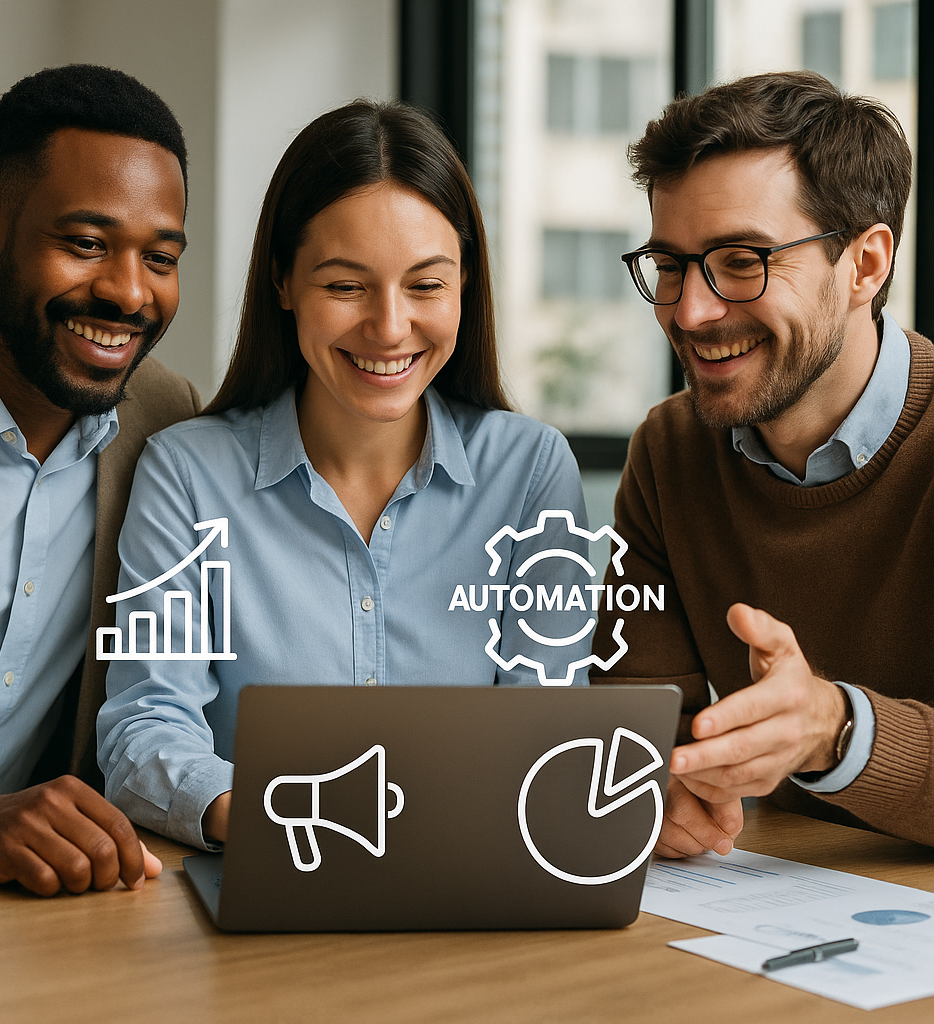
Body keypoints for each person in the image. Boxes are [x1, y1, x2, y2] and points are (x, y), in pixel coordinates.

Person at [97, 100, 590, 850]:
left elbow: (550, 731)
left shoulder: (531, 473)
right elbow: (144, 725)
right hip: (267, 864)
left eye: (426, 286)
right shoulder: (186, 473)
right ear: (283, 282)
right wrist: (283, 816)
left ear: (465, 285)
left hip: (471, 875)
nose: (389, 328)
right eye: (345, 286)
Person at [589, 70, 934, 854]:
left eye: (742, 260)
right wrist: (656, 784)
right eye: (670, 265)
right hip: (775, 891)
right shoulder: (671, 451)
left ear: (866, 264)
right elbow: (637, 722)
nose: (690, 310)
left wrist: (835, 731)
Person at [0, 65, 201, 894]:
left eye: (160, 257)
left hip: (40, 913)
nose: (128, 293)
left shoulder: (169, 423)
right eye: (85, 244)